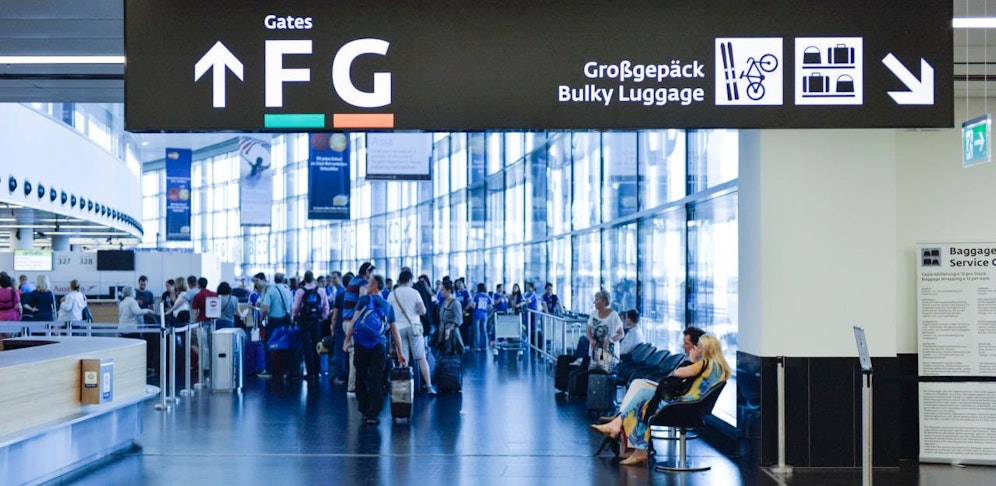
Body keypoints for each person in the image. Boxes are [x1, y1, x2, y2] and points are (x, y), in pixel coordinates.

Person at [590, 334, 731, 466]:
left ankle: (629, 439)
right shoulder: (720, 368)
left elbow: (678, 373)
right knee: (644, 399)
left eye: (699, 347)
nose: (696, 349)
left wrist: (691, 359)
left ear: (707, 349)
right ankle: (626, 435)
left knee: (643, 400)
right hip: (692, 406)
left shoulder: (706, 363)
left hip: (683, 405)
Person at [342, 275, 404, 425]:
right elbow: (395, 332)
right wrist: (401, 353)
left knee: (360, 376)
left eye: (369, 283)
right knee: (377, 379)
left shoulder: (364, 300)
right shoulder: (387, 306)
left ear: (375, 285)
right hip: (379, 345)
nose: (366, 285)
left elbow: (354, 322)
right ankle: (373, 414)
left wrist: (346, 340)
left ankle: (363, 407)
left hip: (361, 344)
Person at [389, 270, 435, 395]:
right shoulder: (415, 292)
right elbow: (423, 311)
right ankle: (429, 386)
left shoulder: (392, 294)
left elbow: (388, 312)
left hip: (398, 329)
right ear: (410, 280)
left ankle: (404, 389)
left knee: (403, 360)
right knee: (421, 357)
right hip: (414, 327)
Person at [341, 262, 374, 392]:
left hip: (346, 321)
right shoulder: (362, 283)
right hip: (353, 322)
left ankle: (352, 385)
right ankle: (353, 386)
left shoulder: (352, 281)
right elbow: (362, 300)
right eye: (370, 273)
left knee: (352, 353)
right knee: (355, 354)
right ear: (366, 272)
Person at [293, 270, 330, 381]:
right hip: (316, 322)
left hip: (304, 321)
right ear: (313, 279)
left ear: (304, 279)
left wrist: (296, 316)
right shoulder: (321, 291)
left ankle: (310, 372)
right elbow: (326, 307)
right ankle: (318, 370)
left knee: (307, 346)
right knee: (317, 345)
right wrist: (322, 317)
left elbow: (295, 307)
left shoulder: (300, 291)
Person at [259, 272, 295, 379]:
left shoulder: (271, 290)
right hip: (285, 321)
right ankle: (283, 369)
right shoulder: (287, 290)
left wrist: (262, 318)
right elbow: (291, 307)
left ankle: (269, 369)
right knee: (284, 344)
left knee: (269, 344)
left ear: (274, 280)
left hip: (273, 321)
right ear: (283, 280)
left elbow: (265, 308)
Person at [329, 272, 353, 384]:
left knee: (340, 352)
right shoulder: (357, 295)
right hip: (353, 326)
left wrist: (332, 328)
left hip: (340, 326)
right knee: (352, 352)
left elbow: (335, 315)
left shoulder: (340, 295)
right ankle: (352, 376)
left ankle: (341, 376)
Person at [586, 290, 623, 361]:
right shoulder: (593, 313)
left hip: (609, 352)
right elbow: (588, 331)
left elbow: (621, 334)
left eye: (596, 300)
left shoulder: (613, 315)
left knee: (606, 370)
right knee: (594, 369)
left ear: (604, 301)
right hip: (595, 350)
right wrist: (591, 339)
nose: (594, 302)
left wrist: (609, 340)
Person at [432, 281, 465, 356]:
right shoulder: (444, 302)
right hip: (441, 332)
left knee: (449, 355)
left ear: (449, 291)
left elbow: (459, 320)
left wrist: (449, 329)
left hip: (451, 335)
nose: (441, 292)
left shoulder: (456, 304)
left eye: (443, 290)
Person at [470, 283, 492, 351]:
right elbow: (491, 305)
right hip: (484, 315)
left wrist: (471, 303)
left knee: (477, 331)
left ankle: (476, 346)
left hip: (477, 314)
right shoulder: (487, 296)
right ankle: (485, 346)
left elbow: (473, 306)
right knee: (484, 331)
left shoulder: (476, 296)